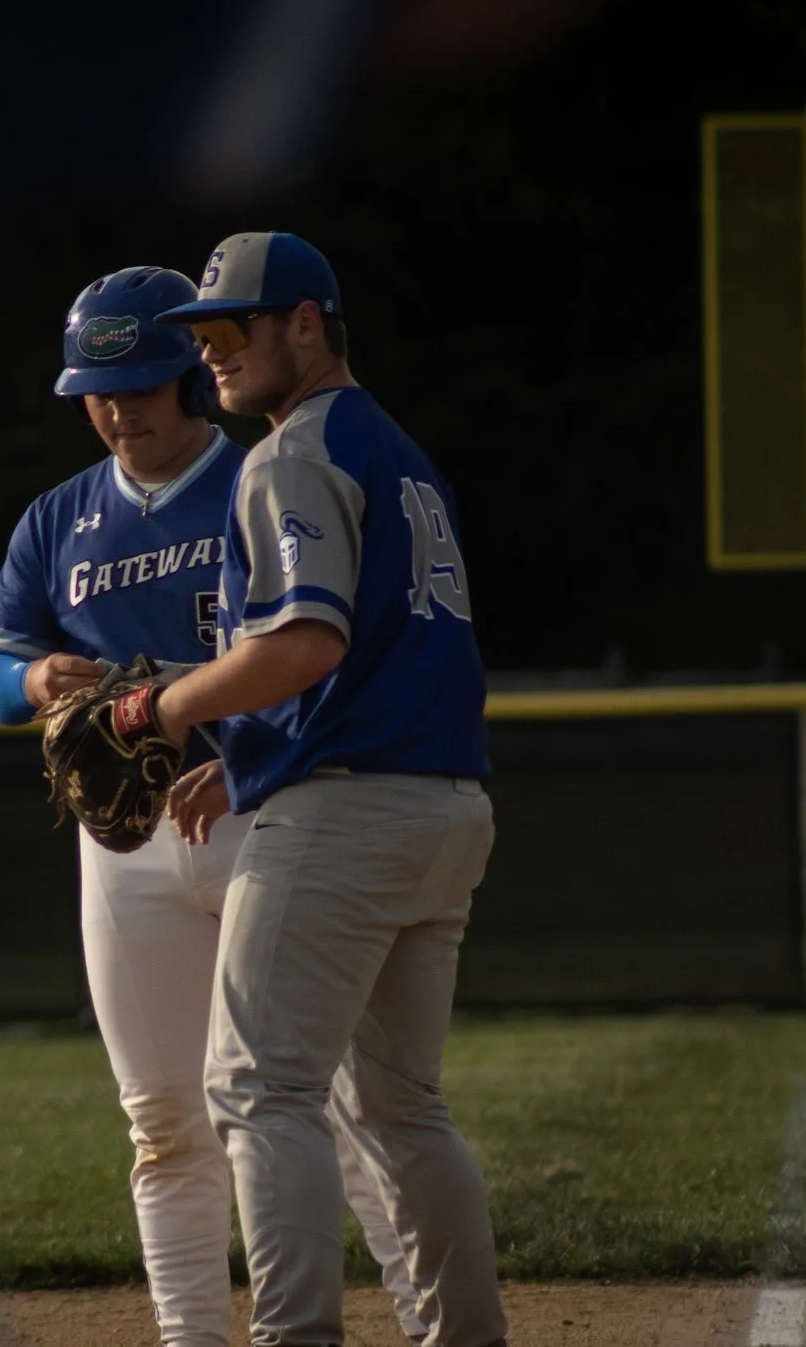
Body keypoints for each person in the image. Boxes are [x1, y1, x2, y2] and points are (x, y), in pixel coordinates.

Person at [0, 265, 427, 1347]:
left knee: (334, 1112)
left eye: (138, 388)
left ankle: (429, 1319)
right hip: (122, 847)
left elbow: (329, 655)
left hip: (267, 814)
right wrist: (36, 683)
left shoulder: (262, 480)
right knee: (163, 1123)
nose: (115, 412)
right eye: (95, 391)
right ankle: (189, 1336)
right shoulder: (58, 519)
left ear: (188, 379)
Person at [153, 232, 507, 1347]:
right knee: (399, 1110)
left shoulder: (291, 452)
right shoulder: (393, 447)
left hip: (348, 815)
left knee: (261, 1093)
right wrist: (249, 754)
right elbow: (371, 653)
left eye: (228, 329)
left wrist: (158, 709)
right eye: (199, 336)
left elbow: (306, 642)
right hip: (441, 805)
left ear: (304, 322)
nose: (209, 354)